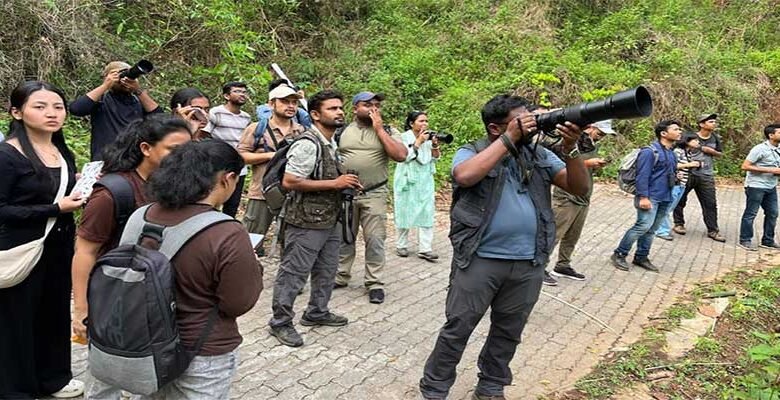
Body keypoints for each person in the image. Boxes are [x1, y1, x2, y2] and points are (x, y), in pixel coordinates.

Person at [419, 94, 588, 400]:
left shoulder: (539, 155)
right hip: (480, 259)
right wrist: (509, 139)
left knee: (509, 331)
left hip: (528, 261)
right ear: (496, 128)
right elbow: (464, 176)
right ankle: (434, 389)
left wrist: (571, 149)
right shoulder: (472, 151)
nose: (532, 124)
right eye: (521, 120)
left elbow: (579, 188)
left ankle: (491, 387)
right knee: (459, 327)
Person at [86, 140, 262, 399]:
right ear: (228, 178)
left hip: (145, 344)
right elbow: (237, 303)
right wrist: (252, 265)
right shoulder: (227, 232)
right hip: (201, 351)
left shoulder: (141, 215)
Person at [70, 115, 192, 342]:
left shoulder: (174, 187)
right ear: (146, 148)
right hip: (116, 296)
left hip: (157, 295)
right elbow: (85, 251)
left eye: (188, 150)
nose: (183, 157)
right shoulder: (112, 193)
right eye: (174, 150)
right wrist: (81, 309)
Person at [0, 81, 86, 399]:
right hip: (20, 248)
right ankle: (15, 388)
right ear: (17, 112)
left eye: (58, 107)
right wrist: (55, 208)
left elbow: (52, 192)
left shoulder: (61, 152)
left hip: (58, 247)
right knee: (17, 320)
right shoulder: (6, 155)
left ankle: (53, 378)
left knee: (53, 313)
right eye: (40, 106)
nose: (52, 113)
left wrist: (78, 185)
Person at [268, 90, 359, 347]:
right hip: (304, 221)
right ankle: (280, 322)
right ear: (316, 115)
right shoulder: (308, 143)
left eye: (340, 107)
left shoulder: (330, 142)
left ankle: (317, 311)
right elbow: (290, 181)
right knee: (293, 273)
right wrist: (335, 183)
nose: (339, 112)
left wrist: (345, 184)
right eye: (332, 108)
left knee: (327, 269)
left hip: (329, 218)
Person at [334, 91, 408, 304]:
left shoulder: (389, 130)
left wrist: (379, 129)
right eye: (367, 104)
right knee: (344, 236)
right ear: (355, 108)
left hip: (374, 193)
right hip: (346, 193)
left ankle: (374, 282)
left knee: (375, 239)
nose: (373, 108)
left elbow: (400, 155)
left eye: (376, 105)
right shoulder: (341, 130)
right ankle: (340, 275)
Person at [544, 120, 616, 286]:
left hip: (583, 197)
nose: (601, 137)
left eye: (604, 135)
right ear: (590, 127)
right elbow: (559, 165)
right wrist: (587, 163)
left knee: (572, 235)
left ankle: (563, 265)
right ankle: (540, 266)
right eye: (600, 133)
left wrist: (595, 165)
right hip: (566, 197)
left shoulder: (591, 144)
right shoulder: (570, 140)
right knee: (553, 234)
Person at [238, 81, 306, 256]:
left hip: (293, 193)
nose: (290, 106)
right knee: (250, 241)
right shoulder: (257, 129)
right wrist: (272, 156)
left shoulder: (301, 131)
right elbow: (241, 156)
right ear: (271, 104)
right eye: (285, 101)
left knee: (291, 241)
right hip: (262, 192)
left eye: (294, 102)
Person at [611, 120, 681, 272]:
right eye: (675, 129)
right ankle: (619, 254)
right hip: (650, 197)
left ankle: (641, 257)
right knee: (642, 226)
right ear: (663, 133)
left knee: (652, 229)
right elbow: (642, 176)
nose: (679, 132)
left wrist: (675, 178)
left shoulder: (671, 153)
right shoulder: (649, 152)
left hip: (665, 196)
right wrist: (643, 197)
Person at [70, 61, 162, 161]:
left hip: (133, 162)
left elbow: (160, 121)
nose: (123, 79)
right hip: (105, 161)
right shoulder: (101, 100)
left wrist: (138, 91)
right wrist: (105, 86)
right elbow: (76, 109)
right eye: (117, 74)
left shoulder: (140, 101)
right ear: (106, 77)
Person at [393, 111, 440, 261]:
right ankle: (401, 245)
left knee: (427, 212)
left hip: (425, 180)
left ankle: (425, 249)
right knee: (404, 210)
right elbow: (404, 157)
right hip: (407, 179)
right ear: (411, 123)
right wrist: (418, 141)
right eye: (421, 121)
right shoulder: (403, 137)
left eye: (426, 121)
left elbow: (435, 158)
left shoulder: (428, 137)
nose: (424, 124)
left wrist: (434, 145)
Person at [673, 113, 725, 242]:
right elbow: (677, 151)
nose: (714, 124)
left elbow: (720, 154)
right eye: (710, 121)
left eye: (714, 122)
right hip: (688, 173)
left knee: (710, 203)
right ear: (702, 124)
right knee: (680, 199)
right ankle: (678, 224)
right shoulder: (691, 137)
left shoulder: (715, 138)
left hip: (706, 174)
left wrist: (712, 152)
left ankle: (713, 230)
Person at [203, 81, 252, 217]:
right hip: (217, 165)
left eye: (244, 92)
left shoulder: (246, 117)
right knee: (211, 200)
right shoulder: (216, 113)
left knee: (233, 204)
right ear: (226, 96)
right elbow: (204, 135)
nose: (242, 95)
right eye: (237, 91)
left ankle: (227, 226)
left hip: (239, 167)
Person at [738, 124, 780, 250]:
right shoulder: (759, 149)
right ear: (771, 135)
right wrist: (770, 170)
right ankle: (745, 239)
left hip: (771, 186)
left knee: (773, 213)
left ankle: (768, 240)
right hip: (755, 186)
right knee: (751, 213)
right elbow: (745, 166)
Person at [655, 136, 702, 241]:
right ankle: (661, 231)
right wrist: (690, 164)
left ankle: (657, 227)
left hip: (682, 183)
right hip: (675, 184)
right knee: (666, 208)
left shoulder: (688, 152)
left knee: (669, 208)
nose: (697, 142)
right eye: (695, 140)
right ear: (687, 141)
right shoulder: (678, 151)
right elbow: (673, 165)